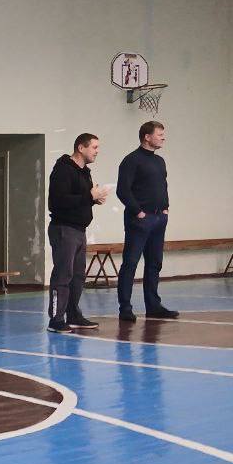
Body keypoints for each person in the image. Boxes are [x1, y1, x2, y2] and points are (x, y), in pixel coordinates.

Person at [116, 121, 179, 322]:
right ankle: (125, 307)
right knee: (131, 263)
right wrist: (138, 212)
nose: (163, 137)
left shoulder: (159, 161)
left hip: (159, 218)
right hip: (140, 220)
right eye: (159, 134)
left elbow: (163, 185)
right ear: (147, 137)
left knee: (154, 263)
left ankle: (153, 306)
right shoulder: (131, 160)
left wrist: (166, 208)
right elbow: (123, 190)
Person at [46, 133, 108, 333]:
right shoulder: (63, 170)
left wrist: (94, 199)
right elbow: (58, 201)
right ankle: (56, 319)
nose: (97, 151)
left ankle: (73, 314)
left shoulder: (85, 172)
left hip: (80, 230)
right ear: (81, 148)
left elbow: (81, 199)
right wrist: (89, 196)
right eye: (94, 147)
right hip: (64, 229)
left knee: (78, 275)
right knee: (63, 274)